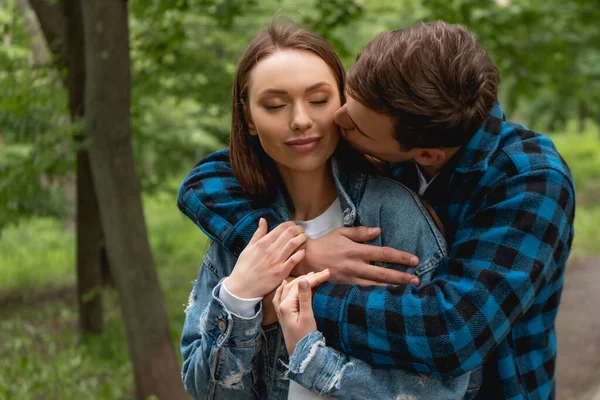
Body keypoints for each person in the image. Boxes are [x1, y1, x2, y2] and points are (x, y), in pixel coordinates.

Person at [178, 21, 576, 399]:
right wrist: (295, 251)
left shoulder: (529, 181)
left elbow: (451, 333)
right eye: (347, 99)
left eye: (323, 101)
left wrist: (286, 295)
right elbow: (203, 181)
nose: (332, 120)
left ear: (425, 155)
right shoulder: (387, 118)